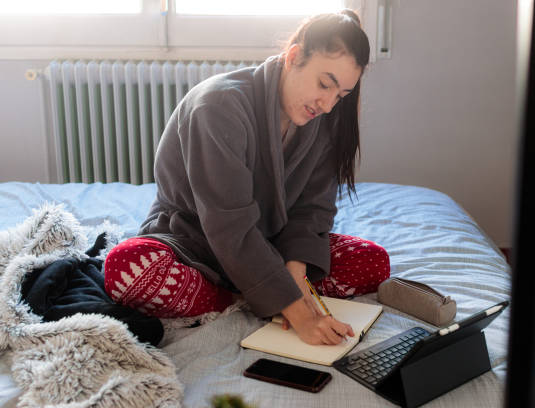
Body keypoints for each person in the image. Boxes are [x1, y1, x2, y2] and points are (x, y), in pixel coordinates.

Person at [103, 10, 390, 346]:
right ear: (294, 57)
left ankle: (257, 290)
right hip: (196, 244)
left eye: (340, 95)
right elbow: (230, 226)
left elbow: (312, 210)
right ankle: (240, 297)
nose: (327, 104)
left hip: (274, 246)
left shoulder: (323, 120)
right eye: (324, 84)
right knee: (126, 268)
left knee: (374, 263)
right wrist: (298, 311)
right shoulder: (217, 106)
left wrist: (295, 276)